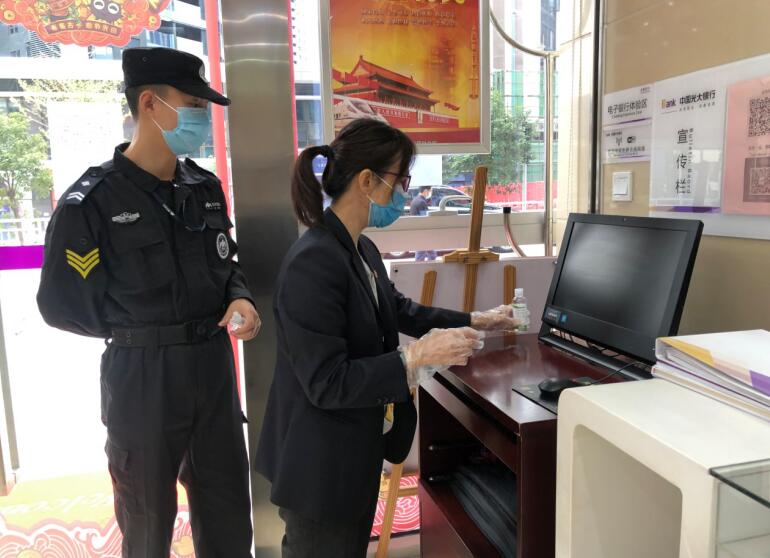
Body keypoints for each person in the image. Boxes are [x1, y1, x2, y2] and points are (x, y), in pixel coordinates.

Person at [255, 118, 520, 558]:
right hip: (318, 465)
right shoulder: (314, 262)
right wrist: (412, 359)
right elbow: (326, 382)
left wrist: (478, 319)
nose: (404, 194)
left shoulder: (361, 248)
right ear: (367, 181)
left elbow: (399, 310)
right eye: (401, 181)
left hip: (351, 454)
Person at [36, 47, 259, 558]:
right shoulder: (92, 202)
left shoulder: (203, 188)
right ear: (150, 104)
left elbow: (226, 263)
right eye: (193, 105)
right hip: (143, 377)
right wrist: (140, 330)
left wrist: (240, 297)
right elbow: (62, 306)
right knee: (147, 521)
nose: (202, 118)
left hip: (212, 368)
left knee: (228, 513)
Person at [410, 185, 437, 261]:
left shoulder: (415, 200)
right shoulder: (421, 202)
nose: (430, 193)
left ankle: (427, 266)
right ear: (425, 191)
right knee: (422, 256)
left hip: (418, 232)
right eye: (430, 191)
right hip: (422, 233)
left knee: (431, 254)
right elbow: (424, 219)